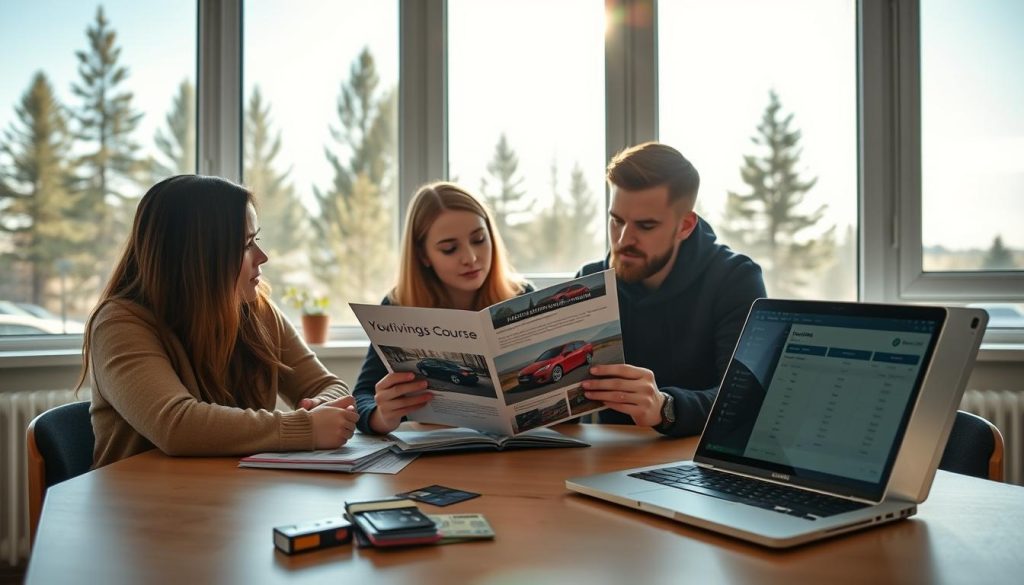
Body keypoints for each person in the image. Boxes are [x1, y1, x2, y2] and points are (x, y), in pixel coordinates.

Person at [78, 175, 358, 468]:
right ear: (197, 257)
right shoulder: (118, 324)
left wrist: (321, 407)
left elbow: (329, 386)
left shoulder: (256, 308)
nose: (262, 257)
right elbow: (177, 426)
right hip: (139, 507)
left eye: (256, 240)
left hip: (230, 498)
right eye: (245, 245)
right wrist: (306, 427)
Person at [577, 142, 766, 437]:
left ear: (685, 225)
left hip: (690, 462)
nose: (624, 239)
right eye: (617, 221)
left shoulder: (735, 280)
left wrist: (666, 407)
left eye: (646, 226)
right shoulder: (590, 282)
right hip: (599, 458)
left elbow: (744, 397)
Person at [353, 182, 531, 435]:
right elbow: (362, 396)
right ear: (423, 256)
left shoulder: (521, 296)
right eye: (449, 248)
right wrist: (382, 416)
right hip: (433, 453)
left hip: (518, 452)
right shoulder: (399, 306)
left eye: (479, 240)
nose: (470, 257)